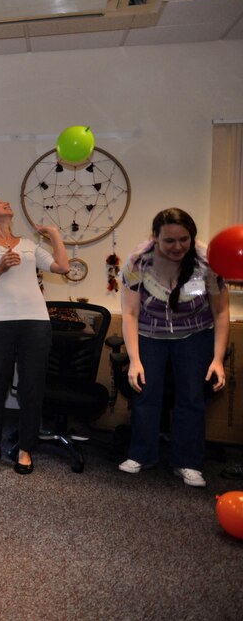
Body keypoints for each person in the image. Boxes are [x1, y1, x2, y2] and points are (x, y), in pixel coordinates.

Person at [117, 208, 228, 487]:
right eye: (169, 241)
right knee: (145, 392)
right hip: (149, 333)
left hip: (194, 335)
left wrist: (217, 359)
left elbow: (221, 312)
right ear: (155, 238)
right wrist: (134, 359)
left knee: (191, 398)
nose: (177, 246)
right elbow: (129, 314)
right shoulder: (137, 262)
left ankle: (188, 462)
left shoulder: (208, 262)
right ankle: (141, 455)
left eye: (184, 239)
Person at [0, 196, 68, 475]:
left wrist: (55, 235)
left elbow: (62, 267)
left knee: (31, 387)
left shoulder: (29, 245)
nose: (6, 203)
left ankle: (25, 448)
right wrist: (0, 268)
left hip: (36, 322)